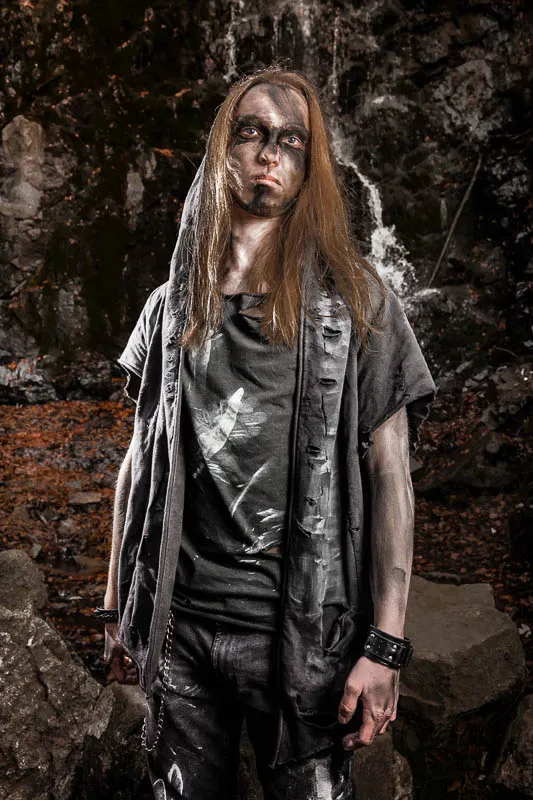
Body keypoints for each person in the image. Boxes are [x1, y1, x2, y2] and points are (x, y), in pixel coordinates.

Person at [99, 67, 437, 800]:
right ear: (224, 148)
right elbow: (138, 461)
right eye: (251, 132)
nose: (268, 153)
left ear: (309, 165)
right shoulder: (169, 308)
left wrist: (385, 646)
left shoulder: (360, 305)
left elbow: (390, 475)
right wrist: (117, 609)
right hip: (180, 633)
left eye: (290, 140)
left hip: (305, 643)